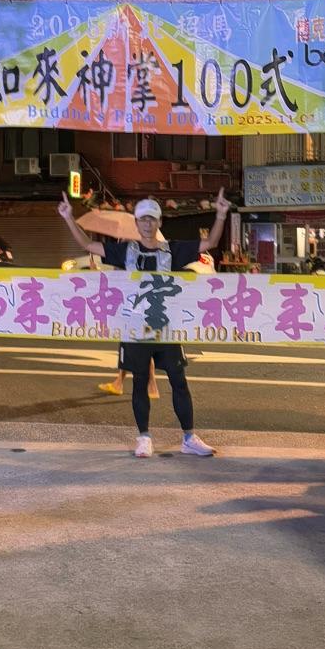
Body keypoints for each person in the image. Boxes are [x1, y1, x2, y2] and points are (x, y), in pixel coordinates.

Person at [59, 190, 230, 457]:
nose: (148, 224)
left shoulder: (172, 249)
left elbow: (211, 242)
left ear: (159, 222)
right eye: (143, 219)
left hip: (166, 327)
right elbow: (88, 246)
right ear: (136, 224)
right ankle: (144, 437)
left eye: (152, 219)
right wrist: (69, 218)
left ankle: (189, 437)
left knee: (178, 380)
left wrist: (220, 214)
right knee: (139, 381)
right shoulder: (125, 250)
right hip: (135, 326)